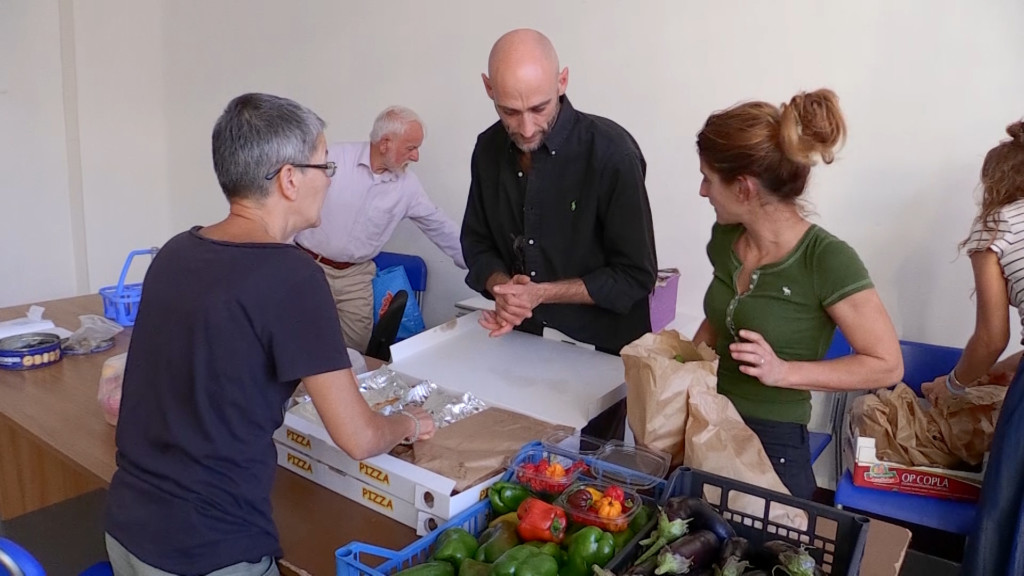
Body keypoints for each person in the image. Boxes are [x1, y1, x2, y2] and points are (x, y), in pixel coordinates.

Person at [104, 93, 435, 576]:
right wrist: (407, 423)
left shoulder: (174, 252)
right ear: (289, 179)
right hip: (210, 550)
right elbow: (360, 437)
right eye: (325, 166)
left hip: (126, 528)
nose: (330, 180)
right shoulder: (293, 277)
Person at [691, 89, 903, 499]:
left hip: (773, 437)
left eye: (708, 178)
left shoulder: (827, 259)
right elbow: (719, 320)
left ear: (744, 188)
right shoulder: (726, 237)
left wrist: (784, 372)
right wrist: (679, 366)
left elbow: (887, 365)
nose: (702, 191)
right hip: (707, 417)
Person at [460, 28, 657, 440]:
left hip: (599, 363)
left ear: (562, 82)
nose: (526, 127)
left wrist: (541, 293)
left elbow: (635, 276)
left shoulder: (611, 153)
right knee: (516, 461)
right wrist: (503, 289)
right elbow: (476, 243)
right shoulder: (487, 149)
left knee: (587, 470)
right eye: (509, 111)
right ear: (488, 88)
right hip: (521, 348)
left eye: (539, 108)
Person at [921, 121, 1024, 576]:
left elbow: (990, 337)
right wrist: (1002, 369)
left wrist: (953, 386)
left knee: (1010, 514)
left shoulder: (998, 224)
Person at [294, 105, 466, 354]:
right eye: (411, 148)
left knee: (354, 352)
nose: (416, 156)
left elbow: (439, 226)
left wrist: (482, 265)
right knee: (301, 341)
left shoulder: (408, 186)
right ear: (385, 143)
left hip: (356, 277)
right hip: (309, 266)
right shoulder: (333, 160)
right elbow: (291, 203)